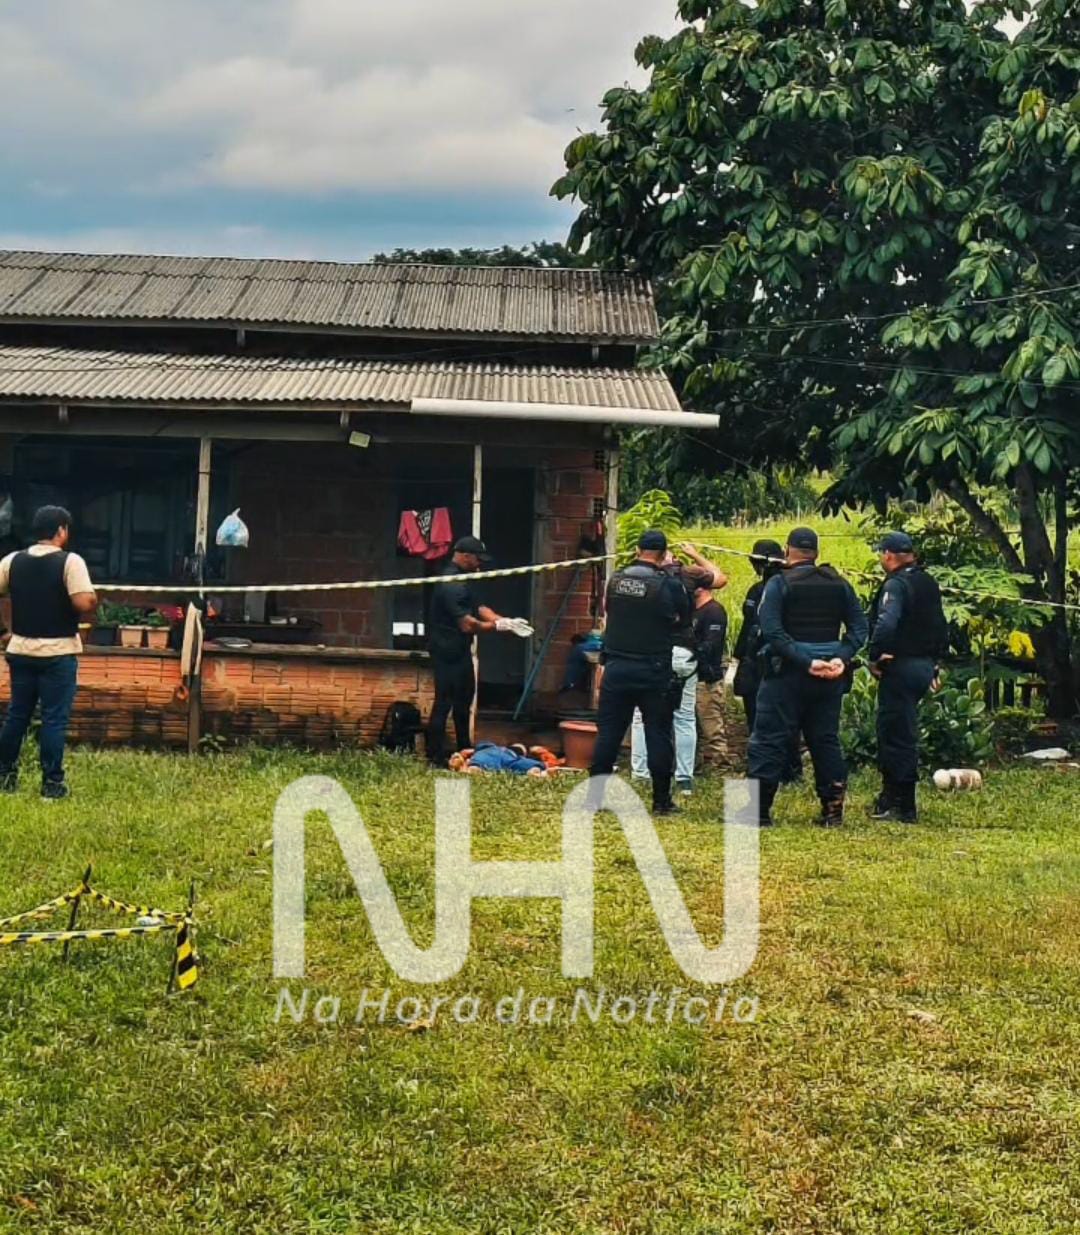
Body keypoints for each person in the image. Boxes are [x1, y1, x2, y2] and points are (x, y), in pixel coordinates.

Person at [747, 528, 868, 827]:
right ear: (816, 552)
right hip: (829, 676)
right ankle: (832, 813)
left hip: (786, 674)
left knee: (769, 740)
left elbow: (772, 631)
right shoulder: (839, 584)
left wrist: (806, 661)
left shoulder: (779, 583)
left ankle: (758, 813)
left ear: (787, 551)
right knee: (825, 741)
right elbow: (859, 628)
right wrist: (841, 657)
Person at [589, 529, 691, 816]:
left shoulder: (616, 579)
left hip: (617, 666)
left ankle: (594, 798)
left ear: (637, 550)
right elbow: (684, 618)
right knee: (657, 733)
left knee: (608, 734)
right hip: (653, 668)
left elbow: (608, 612)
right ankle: (661, 801)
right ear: (663, 554)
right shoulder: (668, 584)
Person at [0, 506, 97, 799]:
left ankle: (4, 776)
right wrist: (93, 598)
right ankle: (52, 784)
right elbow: (83, 602)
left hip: (20, 649)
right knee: (53, 719)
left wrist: (3, 630)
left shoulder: (12, 560)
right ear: (62, 531)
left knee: (17, 715)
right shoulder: (71, 561)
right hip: (58, 652)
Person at [629, 547, 727, 796]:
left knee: (642, 716)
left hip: (653, 651)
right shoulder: (689, 576)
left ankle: (641, 773)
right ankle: (684, 778)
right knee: (684, 717)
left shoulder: (644, 579)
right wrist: (694, 554)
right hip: (683, 653)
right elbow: (720, 577)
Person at [868, 532, 949, 823]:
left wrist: (875, 655)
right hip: (923, 665)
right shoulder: (927, 581)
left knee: (895, 735)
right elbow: (941, 625)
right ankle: (889, 798)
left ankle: (903, 805)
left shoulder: (896, 584)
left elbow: (886, 622)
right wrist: (935, 663)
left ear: (888, 555)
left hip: (900, 666)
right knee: (900, 730)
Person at [425, 536, 508, 767]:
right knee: (444, 702)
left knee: (464, 700)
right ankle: (434, 756)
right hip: (446, 650)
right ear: (465, 556)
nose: (479, 564)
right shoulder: (451, 583)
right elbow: (467, 624)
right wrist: (497, 627)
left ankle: (465, 750)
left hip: (460, 649)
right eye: (477, 559)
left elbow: (479, 607)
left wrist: (504, 621)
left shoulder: (465, 579)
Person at [732, 539, 802, 783]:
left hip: (779, 660)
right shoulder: (756, 590)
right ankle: (765, 766)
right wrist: (740, 656)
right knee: (757, 715)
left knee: (783, 718)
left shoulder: (787, 587)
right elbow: (748, 626)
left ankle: (789, 769)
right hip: (756, 660)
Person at [689, 567, 730, 773]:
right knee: (692, 723)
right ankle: (695, 762)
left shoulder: (714, 611)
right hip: (691, 674)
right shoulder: (692, 610)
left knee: (711, 721)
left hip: (707, 677)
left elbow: (711, 644)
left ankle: (719, 762)